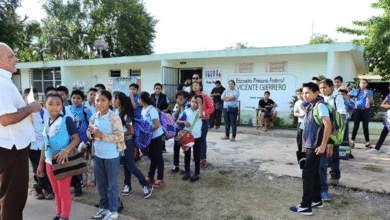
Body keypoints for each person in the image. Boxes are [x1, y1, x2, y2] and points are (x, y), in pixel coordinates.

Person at [0, 43, 41, 220]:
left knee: (8, 200)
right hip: (11, 149)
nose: (16, 59)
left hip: (12, 148)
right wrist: (30, 107)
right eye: (11, 57)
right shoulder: (1, 83)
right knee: (12, 201)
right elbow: (6, 119)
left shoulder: (5, 81)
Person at [290, 82, 332, 216]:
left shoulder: (320, 106)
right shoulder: (311, 106)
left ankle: (305, 206)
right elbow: (307, 126)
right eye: (303, 93)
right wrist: (303, 145)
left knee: (307, 173)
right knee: (313, 173)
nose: (304, 95)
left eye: (307, 92)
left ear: (316, 93)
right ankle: (316, 200)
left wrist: (323, 145)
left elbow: (328, 126)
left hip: (316, 146)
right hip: (310, 145)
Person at [37, 93, 80, 220]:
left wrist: (66, 150)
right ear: (44, 106)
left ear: (62, 106)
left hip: (63, 162)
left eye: (57, 104)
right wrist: (41, 163)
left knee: (63, 191)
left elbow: (76, 139)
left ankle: (65, 217)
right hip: (50, 162)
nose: (54, 107)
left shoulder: (66, 120)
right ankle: (59, 213)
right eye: (50, 104)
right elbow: (45, 143)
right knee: (56, 191)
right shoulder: (46, 122)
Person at [89, 90, 125, 220]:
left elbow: (120, 137)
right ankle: (103, 208)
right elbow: (90, 134)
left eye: (103, 100)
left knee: (112, 184)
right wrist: (91, 134)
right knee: (101, 183)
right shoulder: (93, 117)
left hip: (112, 156)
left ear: (110, 102)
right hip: (98, 155)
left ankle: (113, 211)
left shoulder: (114, 117)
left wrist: (101, 136)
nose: (99, 103)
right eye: (97, 100)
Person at [112, 92, 153, 198]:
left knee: (131, 165)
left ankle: (146, 184)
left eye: (113, 99)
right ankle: (127, 185)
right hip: (121, 142)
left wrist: (119, 136)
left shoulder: (125, 115)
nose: (112, 101)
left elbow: (131, 132)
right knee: (125, 164)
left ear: (118, 101)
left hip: (128, 142)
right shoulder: (116, 111)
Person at [23, 88, 54, 201]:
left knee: (45, 167)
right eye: (30, 98)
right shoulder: (22, 112)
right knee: (36, 167)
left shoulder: (44, 112)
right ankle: (42, 187)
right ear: (24, 99)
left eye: (35, 98)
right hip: (31, 145)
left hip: (43, 145)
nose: (33, 101)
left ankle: (45, 187)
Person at [318, 79, 346, 199]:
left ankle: (334, 175)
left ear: (331, 87)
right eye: (320, 88)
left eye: (324, 87)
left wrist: (332, 142)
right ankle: (321, 186)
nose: (322, 90)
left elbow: (339, 119)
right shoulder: (319, 99)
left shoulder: (337, 98)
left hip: (333, 132)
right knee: (321, 162)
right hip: (321, 133)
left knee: (333, 154)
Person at [139, 91, 166, 188]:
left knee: (158, 158)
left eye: (139, 99)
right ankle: (150, 176)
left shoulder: (152, 110)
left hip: (156, 137)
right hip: (149, 137)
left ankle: (160, 179)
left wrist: (146, 132)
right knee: (152, 157)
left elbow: (157, 125)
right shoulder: (143, 109)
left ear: (142, 100)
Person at [177, 95, 204, 182]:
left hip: (196, 137)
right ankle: (187, 171)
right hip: (187, 137)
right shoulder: (186, 111)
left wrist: (200, 104)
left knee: (196, 156)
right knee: (187, 155)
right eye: (193, 102)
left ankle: (196, 173)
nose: (194, 104)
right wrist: (184, 122)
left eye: (196, 102)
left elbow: (200, 116)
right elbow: (178, 121)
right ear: (190, 102)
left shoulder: (201, 112)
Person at [189, 81, 214, 168]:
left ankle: (203, 158)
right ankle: (196, 155)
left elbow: (211, 108)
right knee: (194, 138)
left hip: (203, 121)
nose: (194, 87)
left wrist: (203, 113)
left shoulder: (205, 97)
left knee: (202, 139)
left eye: (196, 85)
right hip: (194, 122)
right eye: (193, 86)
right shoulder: (191, 98)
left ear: (200, 87)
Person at [349, 79, 374, 149]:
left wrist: (367, 96)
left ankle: (367, 142)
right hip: (357, 110)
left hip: (366, 110)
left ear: (367, 84)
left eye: (364, 83)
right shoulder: (355, 91)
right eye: (361, 83)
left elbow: (372, 103)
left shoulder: (369, 92)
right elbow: (347, 95)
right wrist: (352, 103)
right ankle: (352, 142)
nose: (363, 84)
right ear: (359, 84)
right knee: (356, 126)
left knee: (365, 127)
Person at [367, 84, 390, 154]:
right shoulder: (388, 96)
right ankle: (377, 148)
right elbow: (382, 105)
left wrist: (387, 106)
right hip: (389, 116)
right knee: (384, 133)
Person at [172, 91, 190, 173]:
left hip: (185, 130)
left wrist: (182, 107)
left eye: (181, 98)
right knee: (176, 147)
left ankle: (186, 167)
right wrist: (178, 108)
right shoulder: (178, 105)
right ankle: (176, 165)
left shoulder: (189, 105)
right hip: (177, 129)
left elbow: (184, 117)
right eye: (178, 98)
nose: (179, 100)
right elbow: (174, 117)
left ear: (186, 98)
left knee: (186, 148)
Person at [151, 83, 170, 153]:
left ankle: (163, 148)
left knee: (162, 132)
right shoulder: (151, 96)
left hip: (162, 116)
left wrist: (166, 110)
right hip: (153, 116)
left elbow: (168, 104)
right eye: (156, 88)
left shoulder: (164, 96)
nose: (158, 90)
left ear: (161, 89)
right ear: (154, 89)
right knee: (155, 130)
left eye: (159, 89)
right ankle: (154, 147)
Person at [129, 83, 142, 161]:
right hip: (130, 119)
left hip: (137, 120)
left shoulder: (138, 97)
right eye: (131, 89)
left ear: (137, 90)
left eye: (134, 89)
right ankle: (133, 154)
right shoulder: (128, 98)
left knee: (136, 137)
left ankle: (136, 155)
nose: (132, 91)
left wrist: (131, 97)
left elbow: (135, 106)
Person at [339, 86, 355, 151]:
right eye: (341, 94)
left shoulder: (348, 101)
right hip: (338, 120)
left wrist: (350, 115)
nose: (342, 96)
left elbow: (352, 108)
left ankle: (347, 150)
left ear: (346, 94)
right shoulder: (337, 101)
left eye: (344, 94)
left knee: (345, 134)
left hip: (345, 120)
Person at [294, 88, 306, 168]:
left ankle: (306, 158)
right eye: (298, 94)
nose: (300, 95)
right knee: (299, 141)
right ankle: (301, 160)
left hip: (308, 124)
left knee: (306, 142)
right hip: (300, 122)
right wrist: (301, 115)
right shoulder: (297, 103)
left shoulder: (307, 102)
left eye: (301, 93)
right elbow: (295, 113)